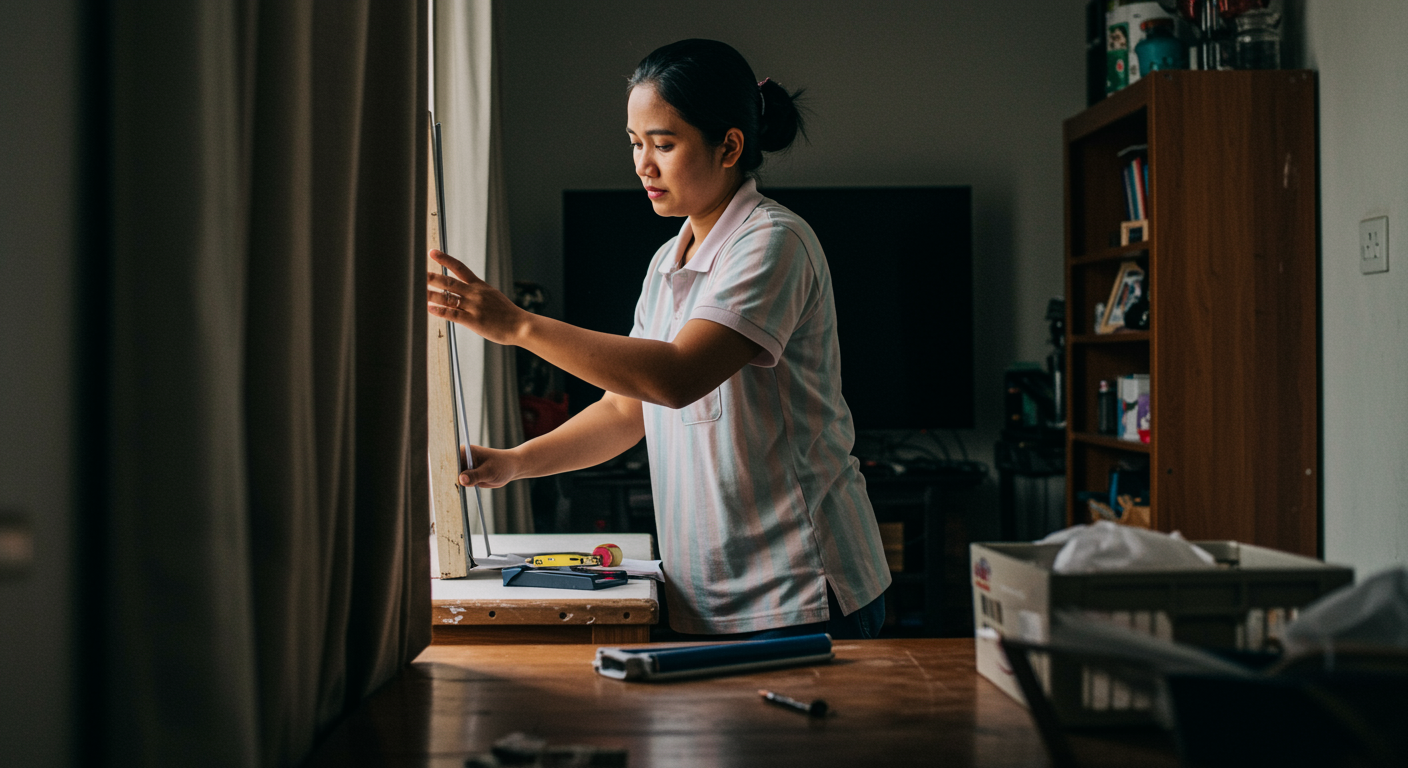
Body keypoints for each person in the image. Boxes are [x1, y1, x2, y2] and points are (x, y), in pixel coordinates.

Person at [426, 39, 889, 639]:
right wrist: (514, 464)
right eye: (635, 144)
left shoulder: (774, 242)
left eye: (664, 145)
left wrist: (518, 325)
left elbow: (674, 377)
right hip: (705, 594)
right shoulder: (667, 263)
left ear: (729, 146)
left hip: (797, 589)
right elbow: (625, 410)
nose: (643, 165)